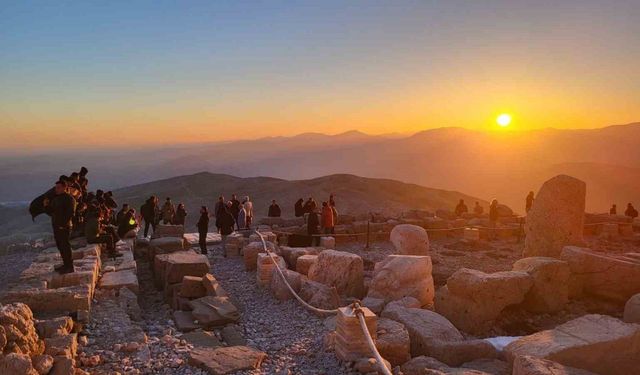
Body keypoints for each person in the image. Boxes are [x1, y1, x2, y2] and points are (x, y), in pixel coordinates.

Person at [44, 180, 77, 274]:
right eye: (56, 187)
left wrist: (63, 225)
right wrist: (46, 206)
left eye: (58, 187)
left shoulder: (69, 199)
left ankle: (70, 266)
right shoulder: (56, 199)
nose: (56, 189)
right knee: (60, 246)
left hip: (64, 226)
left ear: (64, 188)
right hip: (56, 226)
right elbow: (51, 212)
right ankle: (65, 264)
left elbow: (70, 213)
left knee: (65, 246)